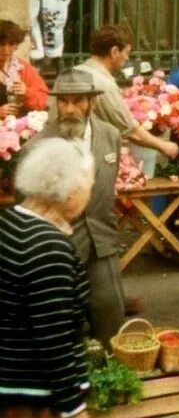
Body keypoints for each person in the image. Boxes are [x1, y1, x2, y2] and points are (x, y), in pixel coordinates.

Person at [0, 139, 94, 418]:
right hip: (35, 401)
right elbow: (53, 337)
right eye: (89, 187)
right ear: (70, 193)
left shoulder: (9, 222)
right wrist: (73, 407)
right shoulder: (48, 247)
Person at [30, 69, 123, 344]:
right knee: (61, 323)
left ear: (91, 102)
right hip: (59, 247)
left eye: (78, 101)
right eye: (63, 101)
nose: (70, 109)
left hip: (102, 242)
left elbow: (108, 186)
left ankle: (110, 379)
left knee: (110, 316)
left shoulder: (110, 136)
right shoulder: (38, 146)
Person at [74, 24, 179, 162]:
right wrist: (164, 146)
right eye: (127, 52)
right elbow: (130, 130)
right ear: (115, 51)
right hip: (89, 160)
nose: (127, 58)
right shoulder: (103, 84)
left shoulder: (73, 72)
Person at [0, 19, 48, 115]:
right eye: (1, 44)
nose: (6, 49)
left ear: (16, 46)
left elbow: (42, 102)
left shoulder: (23, 69)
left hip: (19, 125)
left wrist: (27, 92)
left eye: (11, 44)